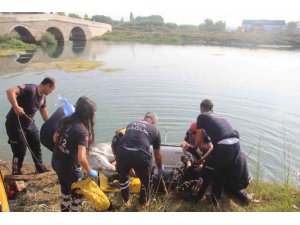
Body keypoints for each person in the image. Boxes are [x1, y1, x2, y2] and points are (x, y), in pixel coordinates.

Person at [193, 99, 250, 203]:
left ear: (201, 108)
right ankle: (215, 197)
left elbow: (198, 142)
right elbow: (220, 138)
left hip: (224, 147)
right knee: (219, 170)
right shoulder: (220, 117)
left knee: (207, 171)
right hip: (236, 145)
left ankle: (195, 197)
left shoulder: (201, 116)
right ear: (212, 108)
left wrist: (193, 148)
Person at [51, 97, 98, 212]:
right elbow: (81, 159)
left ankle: (65, 210)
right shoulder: (82, 131)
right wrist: (89, 171)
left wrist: (66, 147)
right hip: (70, 169)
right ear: (88, 115)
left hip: (56, 162)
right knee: (77, 194)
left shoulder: (65, 120)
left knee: (65, 189)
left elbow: (55, 138)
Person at [5, 77, 56, 175]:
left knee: (36, 146)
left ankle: (40, 168)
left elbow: (44, 112)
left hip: (29, 124)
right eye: (52, 89)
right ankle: (16, 172)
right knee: (19, 151)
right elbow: (10, 91)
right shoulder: (30, 88)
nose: (52, 92)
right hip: (15, 124)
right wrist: (16, 107)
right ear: (47, 85)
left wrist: (52, 127)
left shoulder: (43, 98)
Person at [115, 112, 163, 208]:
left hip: (122, 153)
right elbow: (157, 154)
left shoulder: (131, 123)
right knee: (146, 182)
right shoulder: (155, 130)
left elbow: (129, 140)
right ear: (153, 122)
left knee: (123, 178)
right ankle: (141, 205)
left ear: (144, 118)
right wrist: (160, 167)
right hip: (141, 156)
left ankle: (127, 201)